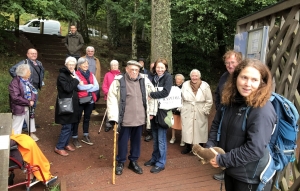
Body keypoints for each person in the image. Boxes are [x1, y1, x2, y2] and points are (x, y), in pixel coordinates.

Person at [207, 59, 276, 191]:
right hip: (231, 170)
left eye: (254, 80)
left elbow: (254, 149)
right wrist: (210, 148)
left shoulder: (262, 110)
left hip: (250, 177)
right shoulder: (230, 101)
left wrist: (223, 160)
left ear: (262, 82)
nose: (247, 84)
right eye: (244, 77)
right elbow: (217, 124)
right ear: (236, 77)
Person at [107, 60, 156, 176]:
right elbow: (111, 99)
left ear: (139, 71)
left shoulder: (144, 81)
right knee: (123, 141)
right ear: (127, 70)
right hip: (125, 118)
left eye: (136, 70)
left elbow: (153, 94)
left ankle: (133, 161)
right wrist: (113, 117)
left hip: (139, 118)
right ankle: (121, 162)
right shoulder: (118, 81)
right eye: (132, 69)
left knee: (136, 142)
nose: (134, 72)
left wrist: (151, 111)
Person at [213, 50, 242, 181]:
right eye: (227, 63)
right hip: (224, 114)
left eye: (233, 62)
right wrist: (219, 108)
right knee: (223, 141)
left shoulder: (242, 77)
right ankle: (225, 171)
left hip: (238, 117)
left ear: (239, 62)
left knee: (235, 143)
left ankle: (232, 172)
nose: (230, 65)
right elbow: (217, 94)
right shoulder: (224, 76)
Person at [144, 58, 173, 174]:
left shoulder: (168, 77)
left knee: (161, 139)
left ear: (165, 68)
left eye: (162, 67)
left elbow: (166, 92)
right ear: (154, 68)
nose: (160, 69)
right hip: (154, 111)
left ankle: (161, 163)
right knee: (155, 138)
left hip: (163, 112)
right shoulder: (152, 77)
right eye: (158, 67)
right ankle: (154, 158)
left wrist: (151, 94)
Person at [9, 48, 45, 129]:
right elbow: (12, 70)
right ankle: (24, 125)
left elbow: (41, 73)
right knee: (25, 104)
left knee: (33, 105)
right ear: (27, 54)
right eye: (31, 53)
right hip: (26, 87)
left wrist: (41, 81)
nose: (34, 55)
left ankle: (28, 123)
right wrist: (20, 80)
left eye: (35, 53)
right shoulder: (24, 62)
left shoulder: (39, 63)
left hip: (34, 88)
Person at [180, 69, 213, 154]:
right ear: (190, 76)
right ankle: (188, 147)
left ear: (199, 77)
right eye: (192, 76)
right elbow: (180, 98)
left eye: (196, 76)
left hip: (200, 108)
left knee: (200, 128)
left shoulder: (205, 85)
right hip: (187, 108)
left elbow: (209, 100)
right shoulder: (185, 84)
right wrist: (181, 107)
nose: (194, 78)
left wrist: (205, 110)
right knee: (187, 128)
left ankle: (201, 147)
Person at [54, 57, 80, 156]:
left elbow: (74, 89)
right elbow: (68, 88)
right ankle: (59, 147)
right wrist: (75, 80)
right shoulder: (62, 75)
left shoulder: (70, 75)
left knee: (71, 125)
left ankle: (65, 144)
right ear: (66, 65)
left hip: (72, 104)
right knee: (66, 126)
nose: (72, 66)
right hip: (65, 104)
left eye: (73, 65)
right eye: (70, 64)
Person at [72, 57, 99, 147]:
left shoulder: (91, 74)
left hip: (90, 100)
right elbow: (79, 87)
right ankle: (75, 137)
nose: (86, 65)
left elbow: (97, 87)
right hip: (80, 100)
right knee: (77, 118)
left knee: (87, 118)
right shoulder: (76, 74)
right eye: (84, 64)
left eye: (87, 64)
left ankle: (85, 135)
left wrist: (87, 87)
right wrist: (91, 86)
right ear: (79, 65)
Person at [8, 64, 39, 141]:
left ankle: (31, 134)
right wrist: (28, 102)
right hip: (19, 106)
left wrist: (32, 99)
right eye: (29, 71)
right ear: (23, 73)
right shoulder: (14, 83)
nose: (30, 73)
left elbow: (33, 91)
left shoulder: (27, 80)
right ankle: (15, 140)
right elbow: (15, 97)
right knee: (17, 123)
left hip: (29, 105)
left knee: (31, 120)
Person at [101, 60, 121, 132]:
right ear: (110, 66)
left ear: (118, 66)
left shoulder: (121, 75)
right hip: (109, 96)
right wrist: (108, 94)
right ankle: (108, 124)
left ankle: (118, 124)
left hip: (119, 97)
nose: (114, 66)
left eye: (116, 65)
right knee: (109, 110)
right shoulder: (107, 74)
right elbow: (104, 86)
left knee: (118, 110)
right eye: (113, 65)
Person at [83, 46, 101, 115]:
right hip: (84, 79)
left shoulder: (96, 60)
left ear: (94, 52)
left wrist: (98, 80)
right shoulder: (82, 59)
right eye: (89, 51)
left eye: (92, 51)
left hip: (94, 80)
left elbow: (98, 70)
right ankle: (84, 110)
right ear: (86, 52)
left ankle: (93, 109)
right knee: (85, 94)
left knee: (95, 95)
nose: (90, 52)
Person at [169, 74, 185, 146]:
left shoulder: (185, 88)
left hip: (182, 108)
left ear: (182, 80)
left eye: (179, 79)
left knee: (183, 124)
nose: (177, 80)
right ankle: (173, 137)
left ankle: (183, 139)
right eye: (176, 79)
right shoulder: (173, 87)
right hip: (174, 108)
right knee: (173, 123)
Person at [144, 61, 155, 142]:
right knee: (149, 116)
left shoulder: (159, 76)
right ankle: (149, 133)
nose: (152, 69)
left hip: (158, 97)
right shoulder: (147, 75)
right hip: (149, 97)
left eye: (154, 67)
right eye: (151, 67)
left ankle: (155, 132)